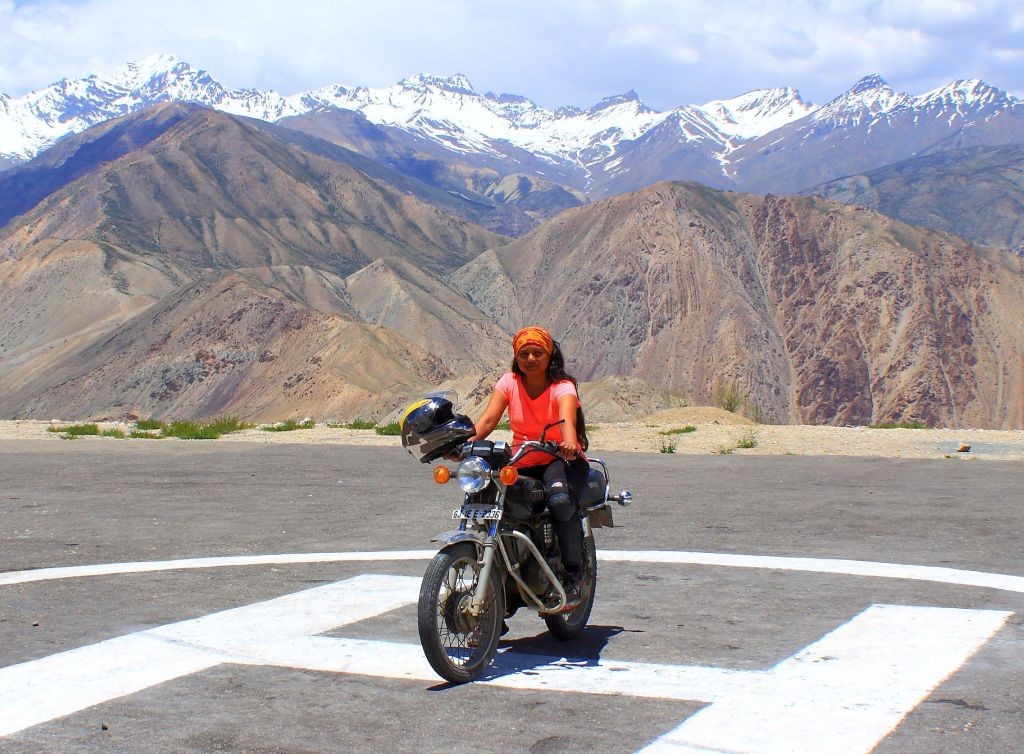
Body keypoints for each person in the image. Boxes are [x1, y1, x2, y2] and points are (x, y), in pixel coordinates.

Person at [469, 326, 589, 604]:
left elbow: (567, 421)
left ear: (550, 356)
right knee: (491, 501)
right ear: (516, 357)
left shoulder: (562, 387)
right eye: (524, 353)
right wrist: (463, 443)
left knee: (559, 500)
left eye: (538, 353)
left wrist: (569, 443)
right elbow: (487, 422)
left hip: (559, 459)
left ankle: (573, 573)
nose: (531, 358)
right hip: (522, 458)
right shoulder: (509, 382)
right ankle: (503, 581)